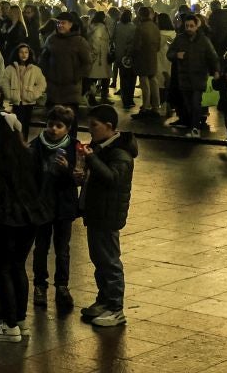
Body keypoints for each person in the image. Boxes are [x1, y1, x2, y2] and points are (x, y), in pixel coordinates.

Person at [0, 111, 48, 343]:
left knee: (3, 268)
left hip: (4, 219)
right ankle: (21, 320)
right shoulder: (30, 154)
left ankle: (9, 325)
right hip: (30, 219)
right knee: (18, 267)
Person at [79, 104, 135, 327]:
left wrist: (92, 160)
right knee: (99, 258)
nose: (90, 129)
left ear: (109, 127)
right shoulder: (101, 147)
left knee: (109, 260)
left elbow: (112, 179)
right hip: (96, 212)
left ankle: (115, 307)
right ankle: (103, 300)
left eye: (94, 125)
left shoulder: (120, 153)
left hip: (107, 214)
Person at [29, 105, 84, 311]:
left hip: (64, 206)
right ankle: (39, 286)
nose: (53, 129)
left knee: (62, 249)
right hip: (42, 205)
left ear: (67, 128)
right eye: (51, 124)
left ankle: (62, 286)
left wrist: (67, 170)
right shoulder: (36, 146)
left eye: (59, 126)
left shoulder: (75, 147)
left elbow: (79, 176)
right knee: (41, 247)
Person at [166, 13, 220, 134]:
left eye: (191, 26)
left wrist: (216, 70)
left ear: (196, 26)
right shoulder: (180, 39)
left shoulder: (204, 41)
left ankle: (195, 127)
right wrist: (176, 55)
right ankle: (193, 124)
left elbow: (212, 56)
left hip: (198, 77)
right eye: (187, 26)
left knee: (196, 103)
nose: (189, 28)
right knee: (189, 104)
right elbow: (169, 54)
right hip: (184, 78)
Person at [42, 14, 92, 109]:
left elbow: (87, 63)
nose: (60, 25)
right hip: (53, 88)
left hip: (71, 90)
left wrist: (76, 76)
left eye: (63, 23)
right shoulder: (51, 40)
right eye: (58, 23)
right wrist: (47, 74)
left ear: (70, 25)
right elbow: (44, 58)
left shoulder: (79, 41)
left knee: (69, 119)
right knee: (53, 119)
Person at [1, 41, 46, 134]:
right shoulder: (10, 68)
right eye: (21, 52)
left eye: (26, 52)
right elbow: (5, 82)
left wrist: (33, 95)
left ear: (29, 54)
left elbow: (42, 84)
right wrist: (10, 95)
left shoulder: (35, 69)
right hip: (15, 101)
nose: (24, 54)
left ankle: (24, 144)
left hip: (28, 102)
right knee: (15, 125)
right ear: (17, 53)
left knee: (25, 125)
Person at [130, 6, 164, 117]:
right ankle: (156, 107)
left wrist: (132, 55)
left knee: (144, 83)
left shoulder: (140, 27)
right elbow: (158, 46)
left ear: (140, 15)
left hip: (142, 58)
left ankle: (145, 106)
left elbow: (136, 46)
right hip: (152, 57)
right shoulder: (155, 27)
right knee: (153, 81)